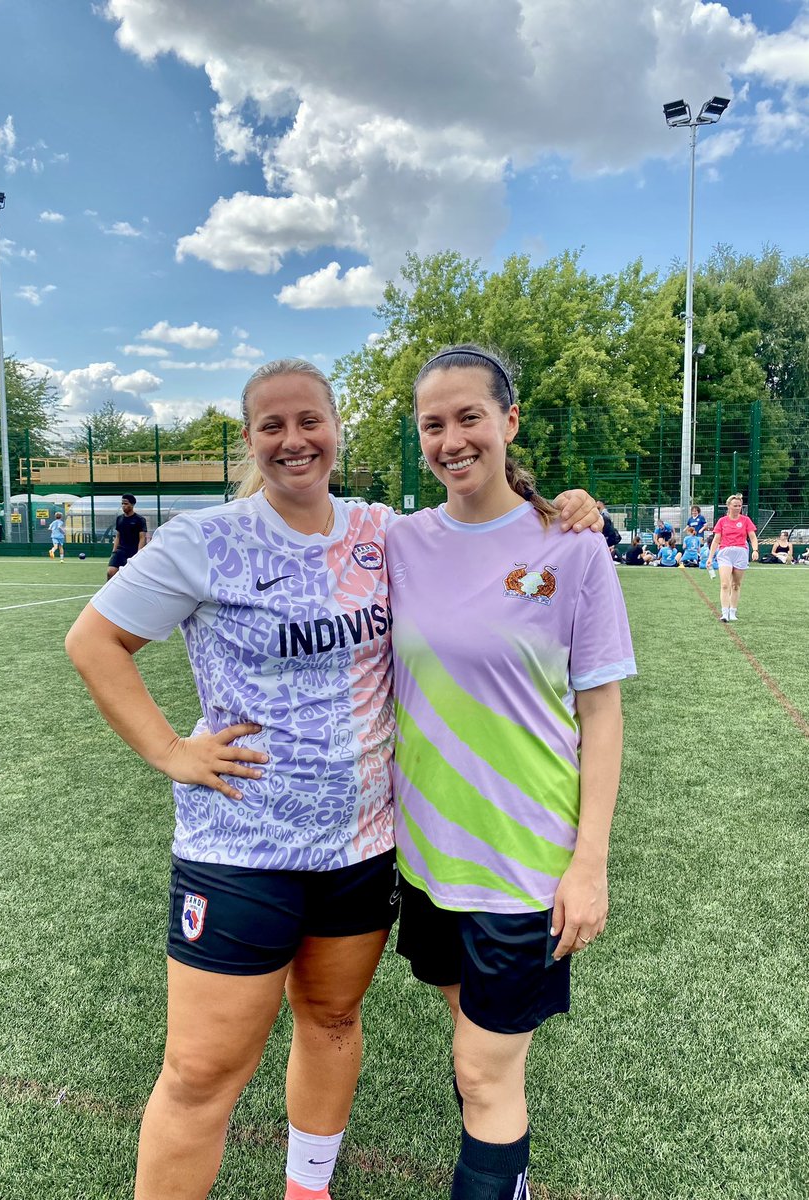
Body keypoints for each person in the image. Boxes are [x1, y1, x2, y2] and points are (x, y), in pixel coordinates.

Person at [64, 357, 601, 1200]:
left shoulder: (382, 532)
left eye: (309, 420)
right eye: (272, 425)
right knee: (201, 1070)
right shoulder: (206, 539)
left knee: (333, 1019)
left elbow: (481, 527)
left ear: (337, 429)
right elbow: (94, 642)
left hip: (360, 846)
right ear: (249, 440)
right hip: (240, 849)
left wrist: (563, 509)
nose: (294, 440)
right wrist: (171, 750)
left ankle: (306, 1189)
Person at [388, 345, 636, 1200]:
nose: (452, 440)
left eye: (470, 417)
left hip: (525, 864)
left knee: (483, 1072)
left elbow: (602, 712)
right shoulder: (398, 541)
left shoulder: (573, 549)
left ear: (509, 421)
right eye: (433, 424)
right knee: (474, 1048)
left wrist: (590, 862)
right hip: (426, 861)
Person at [706, 494, 759, 622]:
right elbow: (716, 540)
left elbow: (752, 537)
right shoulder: (722, 521)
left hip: (741, 553)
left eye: (739, 506)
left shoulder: (746, 520)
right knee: (725, 584)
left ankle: (733, 611)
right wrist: (710, 557)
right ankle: (724, 613)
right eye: (735, 505)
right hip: (725, 553)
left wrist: (755, 550)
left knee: (736, 584)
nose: (737, 508)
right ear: (729, 506)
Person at [107, 493, 148, 580]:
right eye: (122, 503)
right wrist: (114, 552)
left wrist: (139, 554)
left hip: (132, 552)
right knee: (110, 572)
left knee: (131, 577)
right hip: (120, 551)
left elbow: (142, 538)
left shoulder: (140, 520)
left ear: (132, 505)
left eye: (126, 503)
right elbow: (118, 536)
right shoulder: (119, 518)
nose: (123, 506)